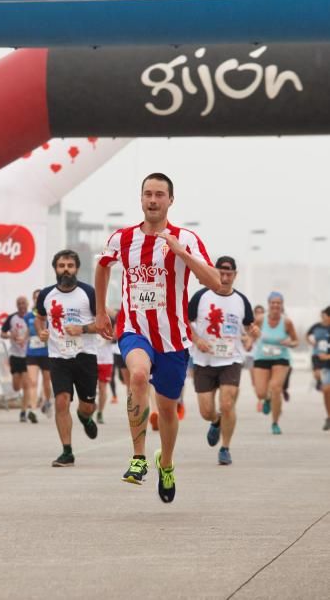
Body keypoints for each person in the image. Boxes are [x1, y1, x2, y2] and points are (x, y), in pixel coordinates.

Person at [95, 172, 220, 503]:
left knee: (167, 409)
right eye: (147, 194)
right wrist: (100, 311)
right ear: (141, 198)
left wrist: (181, 253)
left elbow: (215, 282)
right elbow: (103, 266)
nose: (153, 200)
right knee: (136, 374)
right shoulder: (121, 239)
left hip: (173, 338)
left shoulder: (186, 238)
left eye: (159, 195)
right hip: (134, 328)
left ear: (170, 200)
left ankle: (165, 463)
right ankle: (138, 458)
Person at [188, 256, 259, 465]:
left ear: (235, 275)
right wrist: (197, 339)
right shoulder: (200, 297)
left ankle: (225, 448)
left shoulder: (242, 301)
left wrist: (253, 334)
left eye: (229, 274)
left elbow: (249, 329)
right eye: (221, 273)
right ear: (214, 272)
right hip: (204, 360)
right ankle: (215, 421)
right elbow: (183, 322)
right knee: (206, 410)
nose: (225, 277)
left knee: (227, 404)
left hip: (231, 359)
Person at [35, 249, 98, 467]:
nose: (66, 270)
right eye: (62, 266)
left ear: (77, 269)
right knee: (61, 401)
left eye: (70, 266)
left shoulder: (89, 293)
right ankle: (67, 451)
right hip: (58, 356)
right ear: (55, 269)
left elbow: (103, 324)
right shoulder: (46, 295)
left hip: (85, 355)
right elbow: (40, 318)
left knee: (87, 405)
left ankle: (85, 417)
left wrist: (83, 329)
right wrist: (42, 332)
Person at [253, 292, 298, 435]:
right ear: (269, 304)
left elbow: (296, 341)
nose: (276, 305)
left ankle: (275, 422)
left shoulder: (287, 322)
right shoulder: (260, 319)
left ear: (282, 305)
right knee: (260, 392)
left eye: (279, 303)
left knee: (276, 387)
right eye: (273, 302)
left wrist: (289, 343)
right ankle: (266, 399)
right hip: (262, 356)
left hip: (281, 357)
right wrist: (248, 341)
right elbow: (250, 332)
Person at [1, 296, 37, 423]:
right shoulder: (12, 318)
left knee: (27, 385)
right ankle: (21, 384)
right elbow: (2, 333)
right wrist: (10, 335)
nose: (21, 305)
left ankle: (23, 411)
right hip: (15, 355)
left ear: (27, 304)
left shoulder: (31, 318)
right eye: (19, 303)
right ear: (17, 305)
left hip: (28, 354)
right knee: (16, 387)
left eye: (23, 303)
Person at [25, 289, 53, 418]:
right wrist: (22, 340)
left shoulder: (50, 315)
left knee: (46, 382)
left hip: (47, 353)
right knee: (32, 381)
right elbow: (26, 333)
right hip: (32, 352)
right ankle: (33, 410)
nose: (37, 300)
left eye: (39, 297)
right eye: (35, 298)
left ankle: (47, 401)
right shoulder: (28, 316)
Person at [314, 306, 330, 430]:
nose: (323, 320)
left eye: (325, 317)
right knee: (326, 390)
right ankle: (329, 416)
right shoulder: (322, 330)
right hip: (327, 366)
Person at [95, 333, 114, 424]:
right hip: (91, 360)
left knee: (102, 389)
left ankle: (100, 412)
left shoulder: (109, 322)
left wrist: (111, 336)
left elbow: (115, 338)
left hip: (106, 361)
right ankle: (89, 409)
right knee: (89, 388)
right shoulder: (87, 321)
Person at [306, 311, 326, 392]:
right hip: (316, 353)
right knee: (316, 372)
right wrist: (311, 342)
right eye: (322, 316)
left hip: (327, 354)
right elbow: (307, 335)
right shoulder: (316, 326)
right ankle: (319, 382)